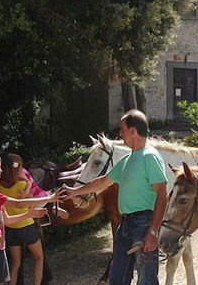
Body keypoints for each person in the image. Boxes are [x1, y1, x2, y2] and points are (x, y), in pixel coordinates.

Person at [64, 109, 168, 285]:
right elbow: (103, 181)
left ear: (133, 131)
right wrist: (74, 192)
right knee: (117, 277)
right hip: (125, 224)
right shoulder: (127, 159)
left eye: (123, 129)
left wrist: (152, 231)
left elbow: (162, 195)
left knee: (147, 279)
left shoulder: (150, 157)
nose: (120, 134)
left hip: (144, 224)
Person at [0, 150, 64, 285]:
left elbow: (6, 221)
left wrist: (29, 214)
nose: (1, 171)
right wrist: (50, 198)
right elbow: (17, 203)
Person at [0, 153, 67, 285]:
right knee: (39, 258)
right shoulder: (21, 184)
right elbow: (32, 201)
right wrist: (28, 183)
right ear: (18, 168)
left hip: (10, 228)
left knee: (16, 264)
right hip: (27, 227)